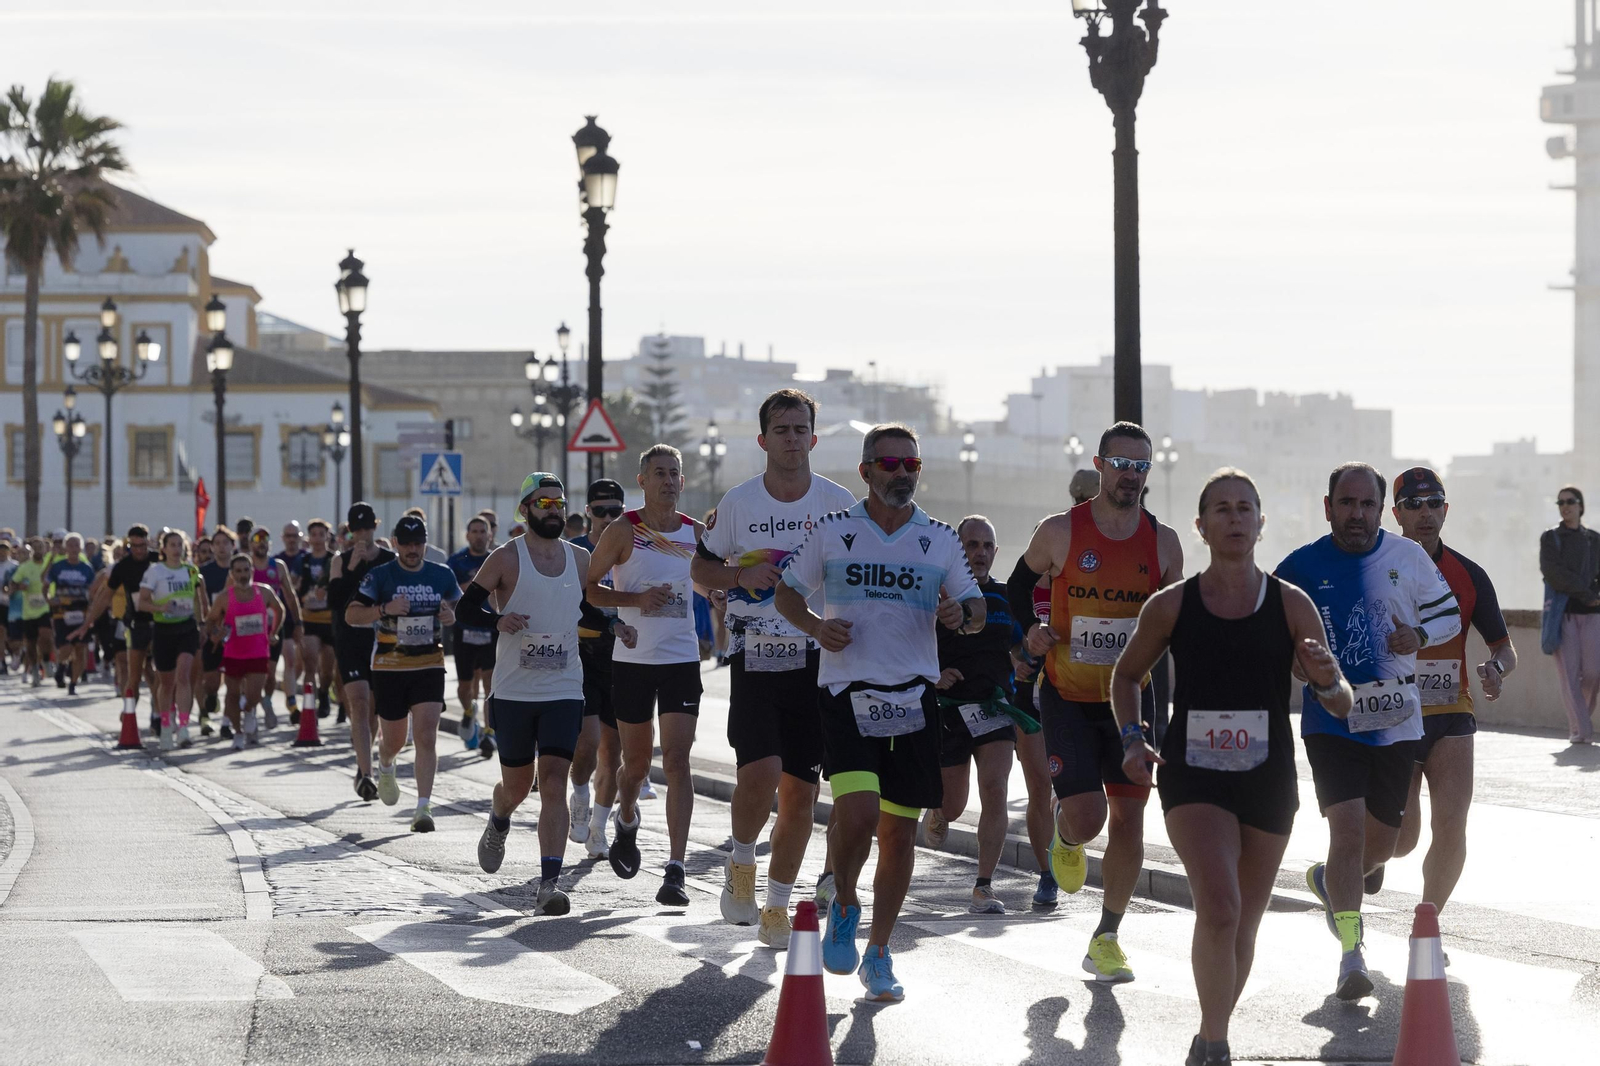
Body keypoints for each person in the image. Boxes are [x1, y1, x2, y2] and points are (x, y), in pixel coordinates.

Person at [1112, 469, 1350, 1066]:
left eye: (1246, 508)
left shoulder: (1292, 604)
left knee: (1243, 923)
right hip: (1193, 773)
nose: (1235, 517)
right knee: (1218, 907)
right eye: (1221, 508)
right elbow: (1124, 675)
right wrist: (1132, 739)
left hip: (1267, 779)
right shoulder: (1172, 604)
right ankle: (1217, 1047)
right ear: (1201, 526)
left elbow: (1341, 699)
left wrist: (1325, 677)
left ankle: (1206, 1031)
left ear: (1261, 523)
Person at [775, 422, 985, 1002]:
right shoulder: (833, 530)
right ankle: (845, 901)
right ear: (865, 470)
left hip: (914, 698)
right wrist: (817, 627)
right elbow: (786, 593)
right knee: (860, 817)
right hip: (846, 692)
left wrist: (960, 617)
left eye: (911, 465)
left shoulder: (939, 538)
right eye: (889, 464)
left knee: (898, 835)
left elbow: (975, 606)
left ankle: (880, 954)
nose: (901, 474)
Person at [1006, 421, 1184, 983]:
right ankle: (1066, 834)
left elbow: (1181, 628)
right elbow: (1012, 591)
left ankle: (1106, 936)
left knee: (1130, 819)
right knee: (1089, 817)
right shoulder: (1060, 532)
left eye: (1141, 466)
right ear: (1100, 465)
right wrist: (1025, 638)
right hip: (1070, 696)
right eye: (1121, 464)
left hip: (1135, 701)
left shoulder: (1164, 543)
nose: (1130, 476)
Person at [1275, 461, 1462, 1000]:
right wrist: (1295, 661)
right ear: (1328, 506)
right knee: (1349, 832)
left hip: (1397, 719)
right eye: (1347, 503)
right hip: (1332, 719)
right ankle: (1350, 954)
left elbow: (1448, 616)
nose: (1356, 514)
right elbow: (1273, 634)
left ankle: (1330, 880)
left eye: (1367, 505)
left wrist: (1419, 635)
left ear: (1383, 510)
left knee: (1393, 844)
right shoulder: (1300, 566)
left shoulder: (1407, 557)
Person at [692, 389, 857, 946]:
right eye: (781, 430)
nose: (792, 438)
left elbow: (857, 577)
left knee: (801, 796)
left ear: (814, 436)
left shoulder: (839, 505)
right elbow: (701, 568)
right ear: (763, 440)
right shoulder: (739, 503)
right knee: (758, 776)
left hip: (818, 660)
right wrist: (740, 580)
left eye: (800, 428)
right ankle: (741, 861)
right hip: (755, 655)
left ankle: (777, 906)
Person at [462, 473, 604, 916]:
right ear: (525, 510)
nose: (553, 509)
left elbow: (592, 610)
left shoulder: (580, 559)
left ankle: (549, 883)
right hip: (514, 691)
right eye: (543, 502)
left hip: (563, 686)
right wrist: (497, 620)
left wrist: (621, 626)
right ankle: (499, 817)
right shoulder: (506, 557)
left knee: (555, 783)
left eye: (558, 502)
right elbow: (468, 607)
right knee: (518, 786)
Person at [1387, 468, 1515, 919]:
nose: (1426, 513)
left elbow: (1504, 647)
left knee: (1452, 828)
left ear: (1446, 509)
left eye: (1434, 503)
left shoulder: (1469, 573)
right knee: (1401, 840)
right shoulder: (1378, 565)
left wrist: (1496, 669)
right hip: (1394, 712)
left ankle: (1427, 920)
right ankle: (1354, 863)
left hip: (1452, 710)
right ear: (1396, 513)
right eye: (1414, 505)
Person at [585, 445, 706, 907]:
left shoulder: (696, 533)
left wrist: (714, 596)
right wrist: (636, 602)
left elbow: (703, 578)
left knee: (677, 761)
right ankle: (627, 815)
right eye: (659, 473)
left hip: (680, 660)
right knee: (634, 767)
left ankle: (675, 868)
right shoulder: (623, 531)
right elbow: (590, 589)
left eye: (675, 473)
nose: (668, 481)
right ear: (642, 480)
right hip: (633, 662)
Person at [925, 515, 1030, 915]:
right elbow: (910, 648)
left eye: (987, 546)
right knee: (953, 806)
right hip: (949, 709)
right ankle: (937, 808)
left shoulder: (1005, 599)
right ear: (958, 550)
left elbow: (1021, 648)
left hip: (994, 708)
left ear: (995, 552)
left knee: (996, 790)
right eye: (972, 545)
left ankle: (984, 886)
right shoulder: (937, 598)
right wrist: (933, 675)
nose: (980, 553)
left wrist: (1026, 664)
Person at [344, 513, 459, 832]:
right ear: (394, 544)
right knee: (394, 739)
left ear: (425, 544)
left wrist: (450, 616)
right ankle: (386, 764)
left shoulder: (442, 574)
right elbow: (351, 615)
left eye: (418, 543)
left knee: (425, 735)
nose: (412, 549)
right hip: (390, 667)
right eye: (406, 544)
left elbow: (457, 608)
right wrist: (384, 610)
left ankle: (423, 807)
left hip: (429, 665)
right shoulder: (381, 576)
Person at [569, 479, 628, 859]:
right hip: (583, 652)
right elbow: (577, 601)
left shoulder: (632, 548)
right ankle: (579, 792)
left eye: (616, 511)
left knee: (615, 752)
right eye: (601, 511)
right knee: (588, 744)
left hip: (624, 656)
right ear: (588, 512)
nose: (608, 518)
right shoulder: (576, 553)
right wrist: (608, 622)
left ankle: (599, 828)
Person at [330, 503, 395, 800]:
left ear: (374, 527)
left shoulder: (388, 560)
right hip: (350, 640)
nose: (362, 535)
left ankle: (364, 760)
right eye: (356, 530)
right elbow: (335, 602)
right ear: (349, 532)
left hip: (381, 640)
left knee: (374, 710)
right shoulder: (340, 561)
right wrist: (352, 568)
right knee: (358, 703)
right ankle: (366, 774)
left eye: (366, 529)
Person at [203, 552, 285, 751]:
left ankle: (249, 710)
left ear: (252, 571)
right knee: (231, 695)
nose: (242, 575)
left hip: (258, 651)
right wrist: (215, 633)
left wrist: (274, 632)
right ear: (231, 574)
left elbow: (280, 609)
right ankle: (238, 733)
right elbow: (210, 621)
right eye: (238, 571)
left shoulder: (263, 592)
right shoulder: (225, 597)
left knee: (254, 694)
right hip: (233, 653)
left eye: (246, 570)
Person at [76, 525, 155, 726]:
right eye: (134, 546)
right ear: (128, 544)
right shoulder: (122, 567)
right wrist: (87, 623)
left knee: (158, 671)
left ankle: (158, 712)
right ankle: (129, 712)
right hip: (136, 622)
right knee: (133, 673)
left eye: (143, 545)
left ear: (148, 542)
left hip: (160, 622)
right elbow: (104, 597)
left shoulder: (158, 560)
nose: (139, 550)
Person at [137, 530, 208, 750]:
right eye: (172, 545)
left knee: (184, 675)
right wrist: (160, 607)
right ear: (164, 548)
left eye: (180, 545)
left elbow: (200, 600)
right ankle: (167, 725)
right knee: (166, 683)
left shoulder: (191, 571)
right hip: (163, 629)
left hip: (187, 628)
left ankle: (184, 728)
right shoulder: (155, 572)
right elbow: (142, 603)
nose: (177, 549)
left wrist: (203, 623)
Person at [1540, 486, 1600, 744]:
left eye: (1571, 501)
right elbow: (1553, 573)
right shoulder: (1551, 538)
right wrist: (1585, 593)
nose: (1565, 506)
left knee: (1593, 673)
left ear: (1580, 505)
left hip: (1593, 614)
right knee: (1569, 675)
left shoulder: (1594, 539)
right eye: (1561, 502)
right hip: (1564, 615)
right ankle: (1582, 730)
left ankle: (1581, 723)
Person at [448, 516, 496, 749]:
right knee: (465, 686)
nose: (478, 535)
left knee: (490, 683)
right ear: (467, 536)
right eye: (474, 531)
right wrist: (476, 586)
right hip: (464, 630)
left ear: (490, 535)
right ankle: (469, 711)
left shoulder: (498, 558)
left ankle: (488, 732)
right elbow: (450, 594)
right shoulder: (457, 561)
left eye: (482, 531)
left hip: (490, 628)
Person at [249, 528, 302, 727]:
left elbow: (290, 595)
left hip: (273, 627)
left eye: (265, 539)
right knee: (252, 671)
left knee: (270, 673)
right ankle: (250, 710)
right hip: (250, 628)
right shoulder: (244, 566)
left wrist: (298, 622)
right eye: (257, 539)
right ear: (250, 543)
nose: (261, 543)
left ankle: (267, 699)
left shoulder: (278, 566)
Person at [296, 520, 339, 721]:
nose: (317, 538)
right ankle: (309, 708)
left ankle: (324, 692)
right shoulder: (304, 560)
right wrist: (302, 594)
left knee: (328, 669)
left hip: (329, 619)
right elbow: (295, 584)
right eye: (314, 534)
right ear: (309, 537)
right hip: (310, 618)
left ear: (327, 537)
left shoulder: (334, 560)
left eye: (321, 534)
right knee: (311, 663)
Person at [45, 534, 96, 696]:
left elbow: (94, 590)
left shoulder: (87, 568)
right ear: (65, 548)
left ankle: (73, 683)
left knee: (80, 648)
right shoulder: (58, 566)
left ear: (80, 549)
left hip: (81, 613)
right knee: (65, 646)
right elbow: (45, 584)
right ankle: (62, 666)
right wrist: (49, 600)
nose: (74, 549)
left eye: (76, 545)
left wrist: (92, 609)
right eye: (71, 545)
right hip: (62, 613)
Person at [196, 528, 235, 735]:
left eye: (225, 543)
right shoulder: (203, 572)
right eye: (217, 543)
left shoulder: (240, 570)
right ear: (212, 547)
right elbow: (202, 604)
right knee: (210, 682)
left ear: (232, 546)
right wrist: (208, 627)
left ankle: (227, 723)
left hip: (235, 632)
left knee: (234, 681)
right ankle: (207, 704)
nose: (221, 547)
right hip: (213, 630)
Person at [12, 539, 53, 687]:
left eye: (40, 547)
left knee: (46, 635)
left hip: (45, 608)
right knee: (31, 643)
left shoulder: (48, 565)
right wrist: (19, 586)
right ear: (31, 550)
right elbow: (13, 583)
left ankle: (47, 661)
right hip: (29, 611)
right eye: (35, 548)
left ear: (44, 549)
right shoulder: (25, 567)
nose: (38, 550)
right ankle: (35, 670)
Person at [0, 539, 18, 675]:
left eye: (5, 550)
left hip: (13, 603)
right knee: (1, 632)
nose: (2, 553)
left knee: (13, 637)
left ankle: (16, 654)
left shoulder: (15, 566)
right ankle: (2, 662)